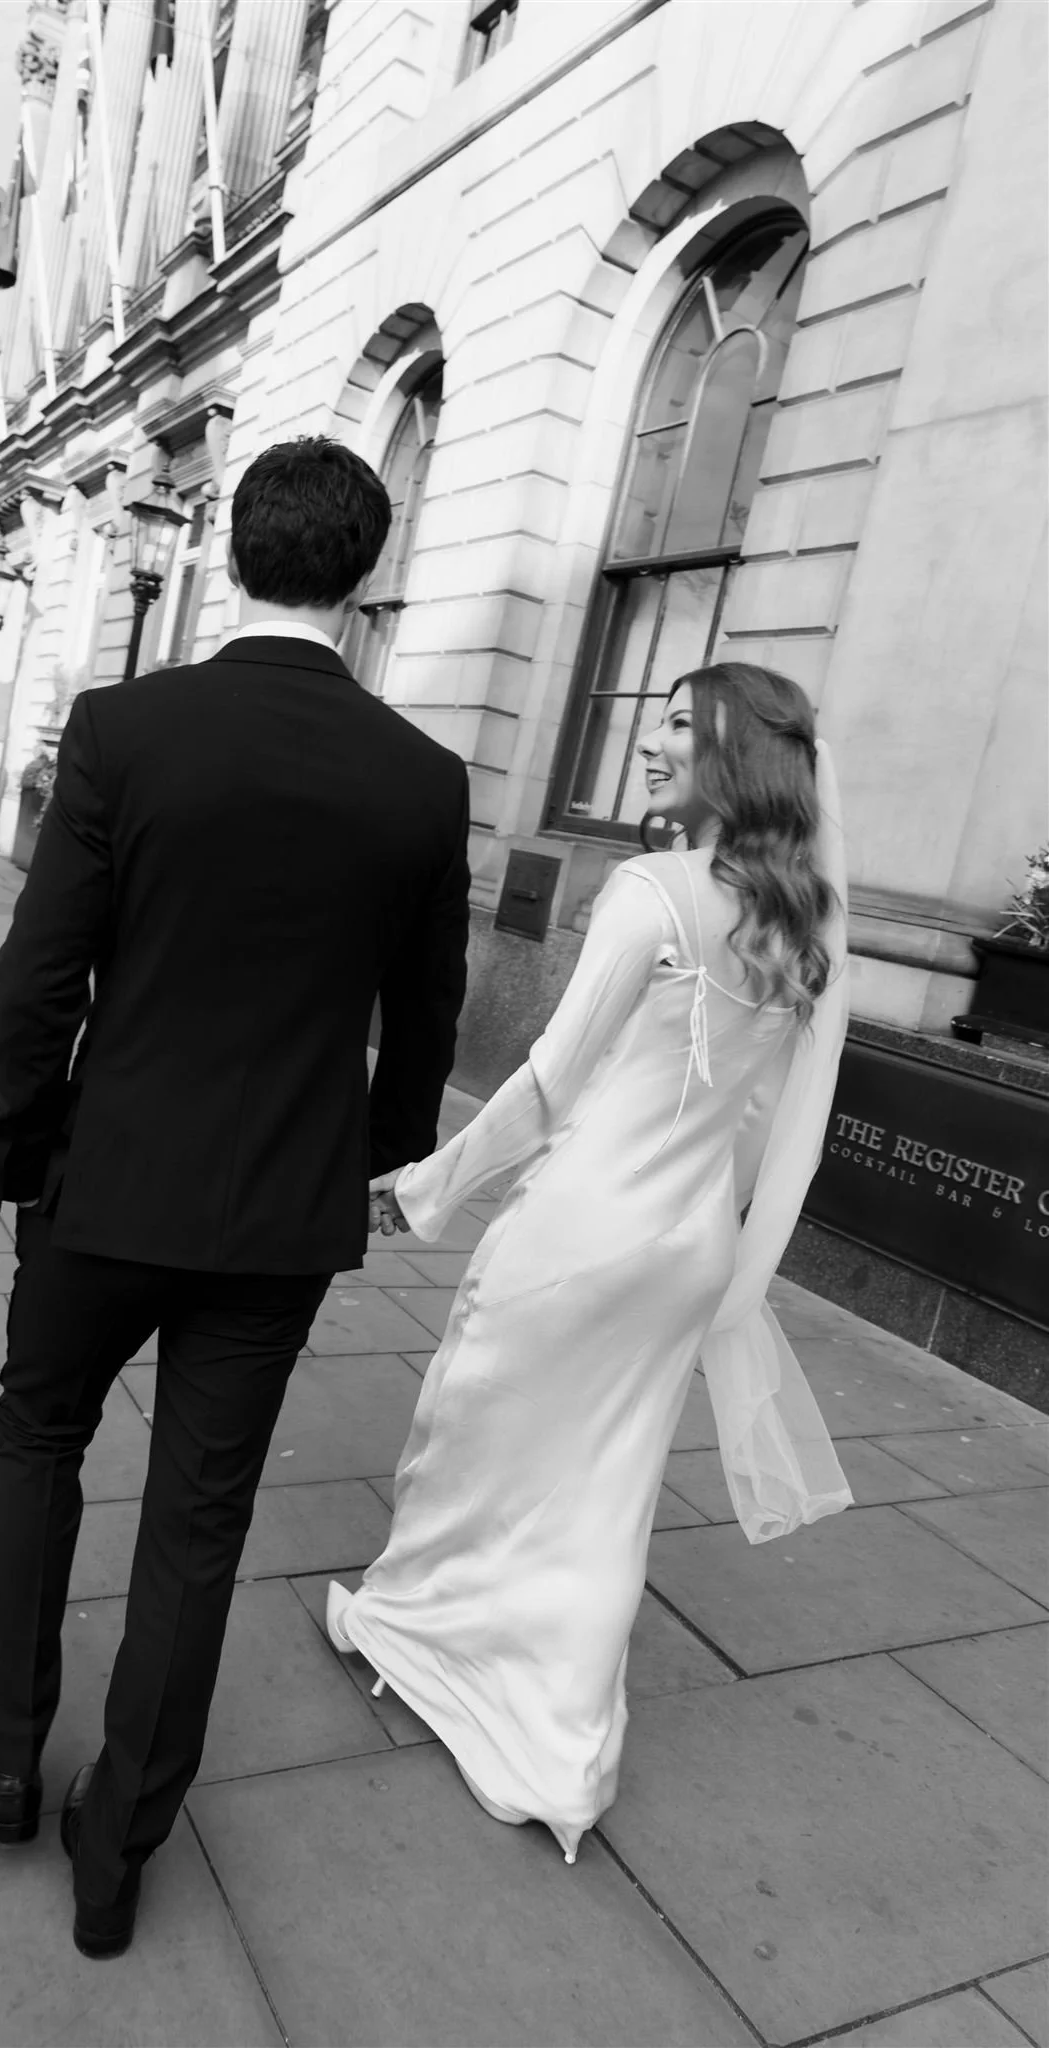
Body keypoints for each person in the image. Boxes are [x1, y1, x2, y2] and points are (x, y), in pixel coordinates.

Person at [0, 437, 471, 1959]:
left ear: (235, 551)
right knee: (200, 1520)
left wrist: (27, 1137)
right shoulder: (423, 781)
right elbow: (425, 1020)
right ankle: (119, 1847)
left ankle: (0, 1763)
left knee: (36, 1440)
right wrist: (367, 1163)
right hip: (276, 1212)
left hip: (108, 1185)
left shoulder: (127, 729)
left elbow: (41, 970)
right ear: (364, 576)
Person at [330, 662, 853, 1866]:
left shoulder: (651, 893)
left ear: (737, 758)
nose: (653, 744)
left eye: (680, 726)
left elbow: (551, 1080)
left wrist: (423, 1184)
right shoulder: (805, 917)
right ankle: (568, 1744)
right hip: (689, 1248)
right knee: (605, 1485)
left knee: (481, 1431)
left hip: (588, 1228)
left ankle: (422, 1633)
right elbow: (781, 1124)